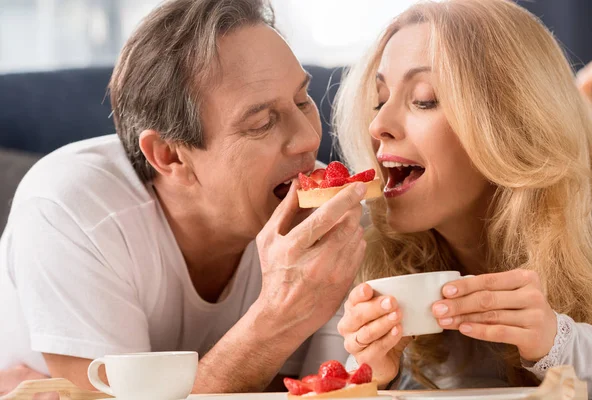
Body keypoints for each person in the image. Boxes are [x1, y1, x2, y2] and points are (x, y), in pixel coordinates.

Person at [0, 0, 368, 395]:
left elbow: (320, 390)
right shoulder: (71, 209)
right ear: (169, 155)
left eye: (302, 101)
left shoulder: (341, 220)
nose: (311, 139)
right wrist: (278, 317)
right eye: (261, 123)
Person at [332, 0, 592, 398]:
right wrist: (374, 375)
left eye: (423, 99)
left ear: (511, 122)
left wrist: (558, 342)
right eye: (379, 99)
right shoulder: (366, 247)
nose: (378, 125)